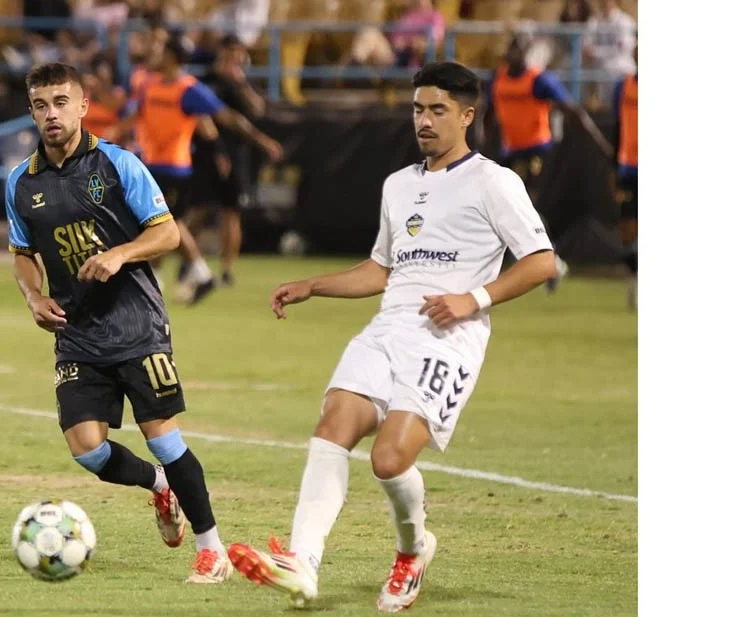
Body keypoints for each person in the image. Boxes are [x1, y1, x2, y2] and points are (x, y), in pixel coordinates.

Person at [227, 61, 558, 613]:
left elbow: (542, 261)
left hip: (448, 339)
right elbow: (382, 270)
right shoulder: (399, 184)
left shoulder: (495, 182)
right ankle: (303, 562)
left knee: (388, 459)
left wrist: (472, 299)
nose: (424, 120)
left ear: (467, 116)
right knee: (334, 424)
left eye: (438, 110)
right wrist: (313, 285)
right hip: (388, 328)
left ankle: (413, 550)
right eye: (418, 109)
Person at [5, 62, 233, 584]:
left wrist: (120, 254)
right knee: (87, 449)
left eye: (61, 102)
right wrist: (33, 295)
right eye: (41, 105)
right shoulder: (21, 182)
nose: (51, 114)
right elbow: (22, 252)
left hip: (136, 323)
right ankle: (160, 486)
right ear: (32, 112)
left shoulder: (118, 164)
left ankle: (212, 550)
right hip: (76, 330)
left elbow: (167, 233)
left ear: (84, 106)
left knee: (163, 438)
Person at [114, 34, 283, 304]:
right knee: (159, 223)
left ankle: (191, 273)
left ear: (171, 56)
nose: (156, 55)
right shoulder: (150, 84)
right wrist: (110, 138)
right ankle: (170, 277)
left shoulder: (189, 89)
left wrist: (262, 141)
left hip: (174, 168)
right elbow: (136, 115)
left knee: (164, 223)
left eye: (162, 51)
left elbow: (227, 118)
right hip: (149, 164)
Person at [482, 34, 613, 293]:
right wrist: (482, 147)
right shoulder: (498, 79)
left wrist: (600, 144)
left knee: (524, 203)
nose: (515, 54)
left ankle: (546, 259)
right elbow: (487, 114)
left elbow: (572, 109)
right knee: (509, 207)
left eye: (520, 49)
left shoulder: (539, 80)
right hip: (509, 151)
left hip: (536, 151)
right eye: (512, 48)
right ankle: (549, 260)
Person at [185, 34, 268, 287]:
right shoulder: (206, 81)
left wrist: (240, 84)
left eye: (238, 53)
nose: (234, 58)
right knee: (197, 210)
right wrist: (217, 151)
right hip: (206, 153)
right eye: (230, 52)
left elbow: (258, 110)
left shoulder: (243, 82)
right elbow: (201, 118)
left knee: (232, 212)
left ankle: (227, 270)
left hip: (237, 155)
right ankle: (190, 263)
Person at [612, 45, 638, 309]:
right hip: (629, 167)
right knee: (628, 230)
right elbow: (617, 127)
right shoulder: (624, 86)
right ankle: (634, 282)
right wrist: (613, 167)